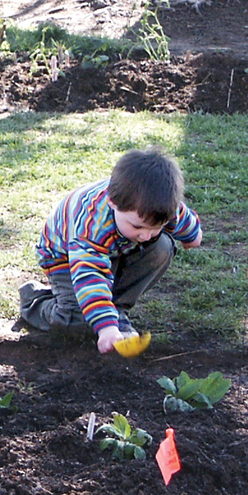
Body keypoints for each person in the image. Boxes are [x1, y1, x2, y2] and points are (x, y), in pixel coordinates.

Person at [19, 146, 203, 353]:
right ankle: (33, 300)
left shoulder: (161, 205)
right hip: (65, 257)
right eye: (137, 226)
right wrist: (106, 327)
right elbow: (90, 276)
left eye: (155, 227)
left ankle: (118, 310)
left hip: (113, 247)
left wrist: (192, 237)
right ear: (112, 203)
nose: (145, 235)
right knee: (78, 321)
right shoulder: (91, 225)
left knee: (162, 246)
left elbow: (182, 219)